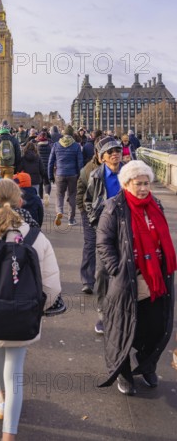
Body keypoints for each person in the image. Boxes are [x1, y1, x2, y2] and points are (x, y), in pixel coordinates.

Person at [0, 179, 61, 441]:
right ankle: (8, 435)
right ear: (20, 200)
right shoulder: (36, 236)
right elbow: (51, 284)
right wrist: (38, 308)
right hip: (25, 313)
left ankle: (1, 397)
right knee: (16, 370)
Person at [97, 160, 176, 396]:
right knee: (122, 329)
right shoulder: (114, 207)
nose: (143, 188)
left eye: (146, 183)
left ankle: (147, 364)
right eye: (138, 184)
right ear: (126, 184)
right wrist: (117, 270)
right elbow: (103, 243)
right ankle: (124, 373)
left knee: (154, 327)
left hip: (155, 280)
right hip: (127, 280)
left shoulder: (155, 205)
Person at [84, 136, 123, 334]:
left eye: (118, 149)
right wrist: (95, 221)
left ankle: (123, 313)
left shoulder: (129, 173)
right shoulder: (96, 176)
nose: (115, 153)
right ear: (102, 158)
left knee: (126, 271)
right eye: (110, 152)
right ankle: (103, 314)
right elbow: (88, 200)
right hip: (104, 230)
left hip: (126, 230)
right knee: (102, 273)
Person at [76, 135, 102, 294]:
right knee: (90, 245)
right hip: (90, 214)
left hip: (111, 215)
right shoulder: (88, 169)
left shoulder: (119, 169)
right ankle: (87, 280)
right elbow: (80, 192)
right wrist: (83, 211)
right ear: (98, 153)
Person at [48, 124, 83, 226]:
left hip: (60, 173)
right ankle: (71, 219)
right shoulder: (76, 146)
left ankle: (59, 211)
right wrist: (80, 176)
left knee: (59, 195)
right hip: (73, 174)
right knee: (72, 195)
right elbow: (80, 163)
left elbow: (51, 161)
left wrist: (50, 175)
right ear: (72, 135)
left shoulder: (56, 145)